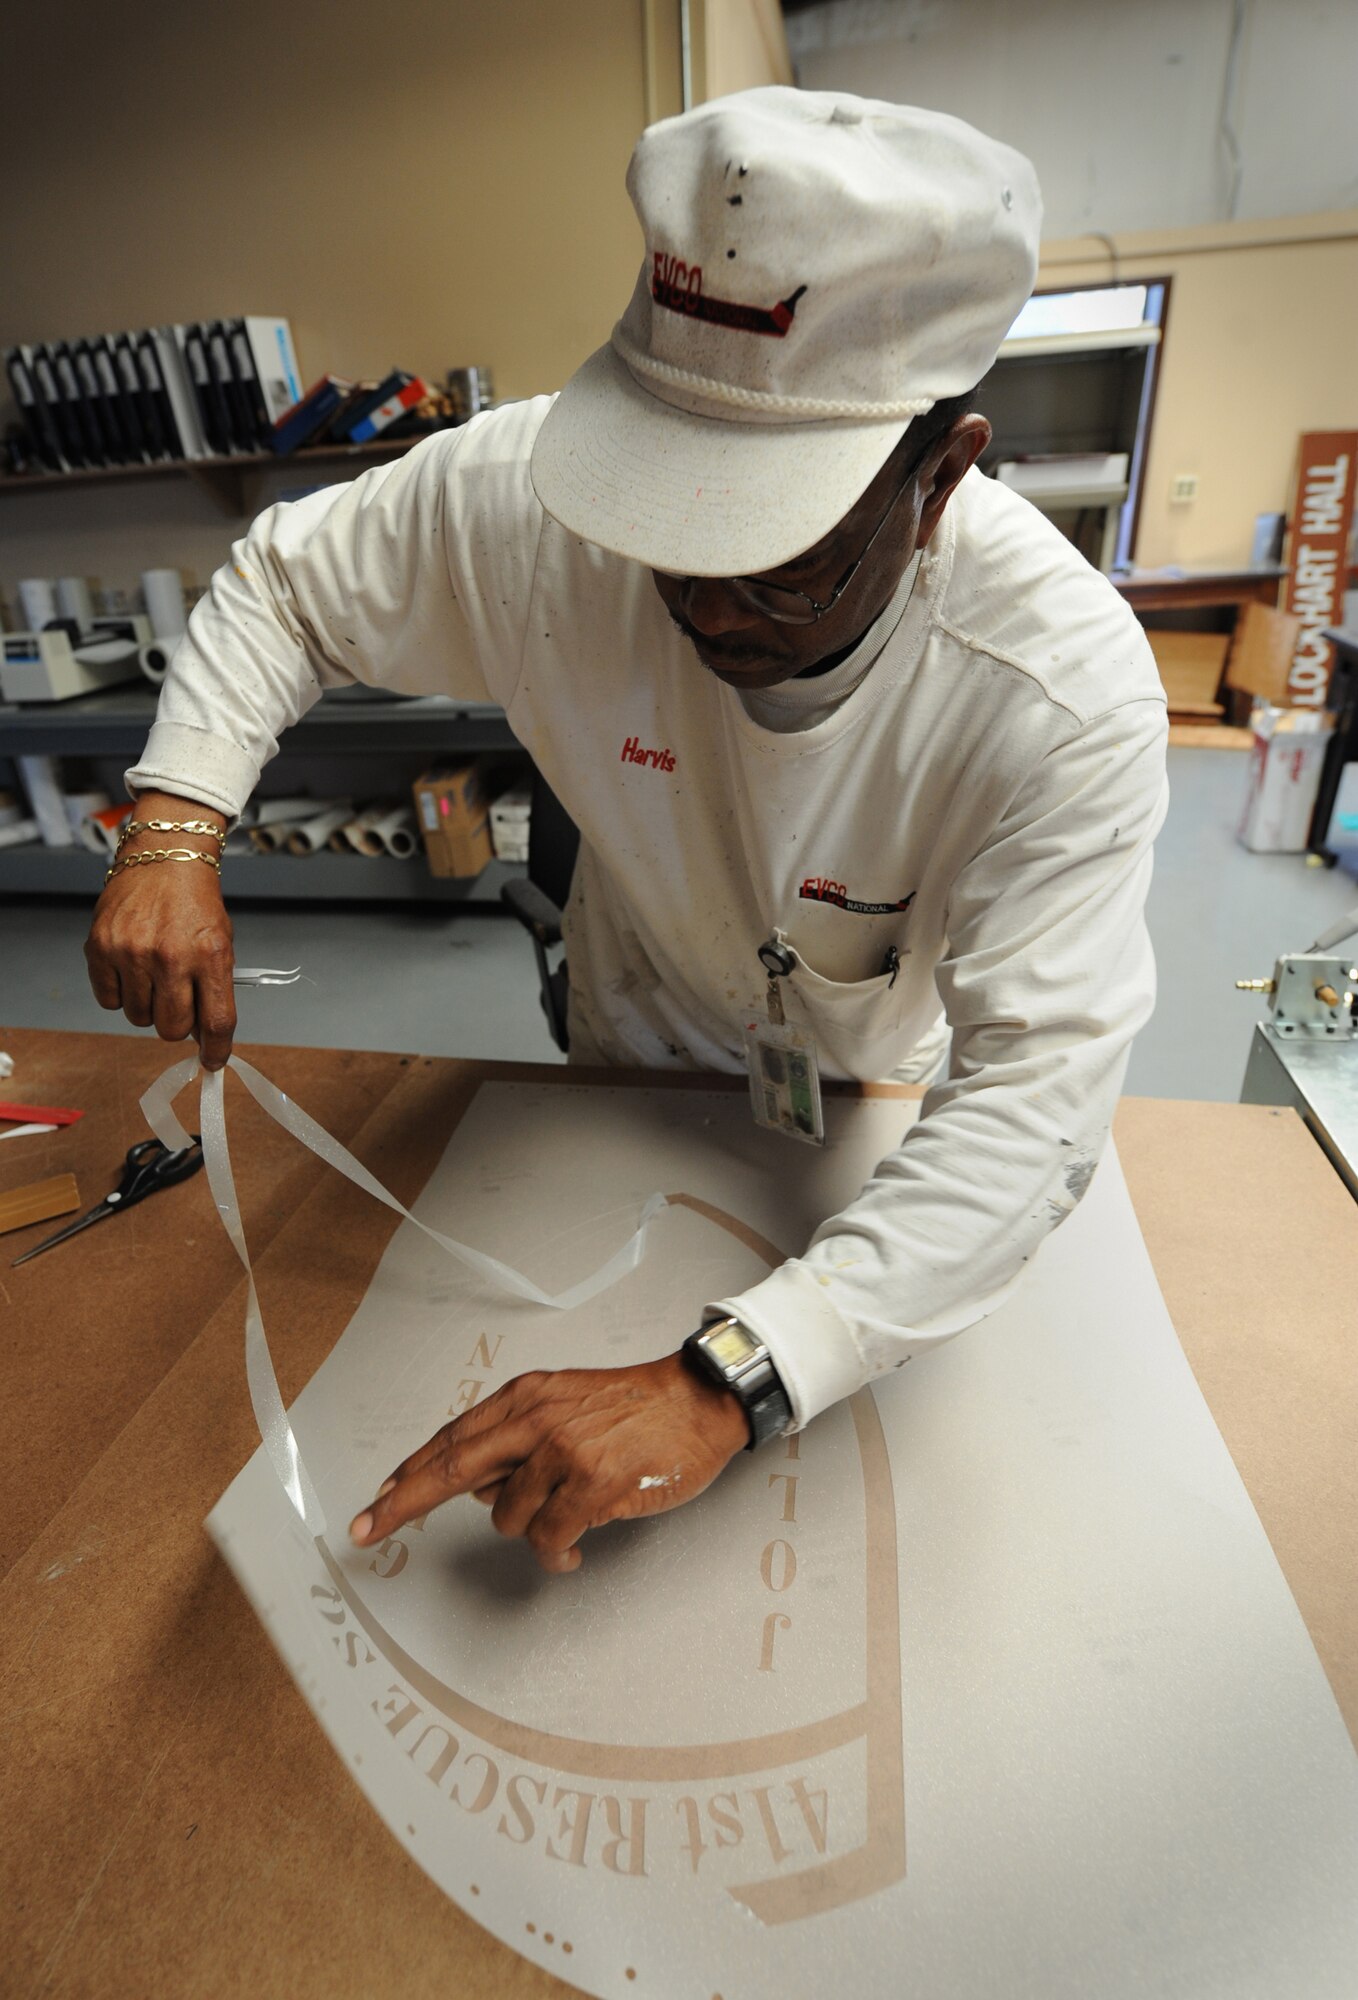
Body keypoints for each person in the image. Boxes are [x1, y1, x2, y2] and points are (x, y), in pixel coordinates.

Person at [85, 88, 1168, 1573]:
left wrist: (730, 1377)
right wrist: (173, 828)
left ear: (937, 479)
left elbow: (1032, 1097)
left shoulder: (1053, 691)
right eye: (666, 536)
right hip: (621, 1043)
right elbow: (285, 581)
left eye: (772, 559)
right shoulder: (533, 504)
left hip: (862, 1101)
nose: (706, 601)